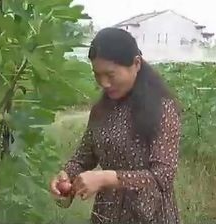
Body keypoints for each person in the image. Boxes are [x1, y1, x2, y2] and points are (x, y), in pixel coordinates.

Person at [49, 27, 182, 224]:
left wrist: (106, 178)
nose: (104, 83)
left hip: (151, 216)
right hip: (107, 216)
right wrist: (66, 175)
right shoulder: (101, 111)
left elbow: (162, 177)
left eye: (110, 75)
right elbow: (84, 157)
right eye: (97, 75)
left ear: (136, 63)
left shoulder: (162, 108)